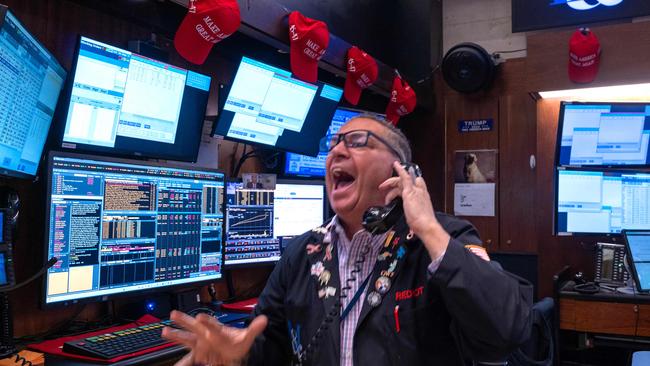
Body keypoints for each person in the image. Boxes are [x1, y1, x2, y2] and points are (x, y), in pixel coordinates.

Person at [163, 116, 533, 366]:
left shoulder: (443, 239)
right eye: (333, 144)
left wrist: (428, 227)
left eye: (356, 142)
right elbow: (270, 343)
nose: (336, 151)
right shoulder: (303, 253)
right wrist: (238, 351)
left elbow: (506, 330)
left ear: (399, 169)